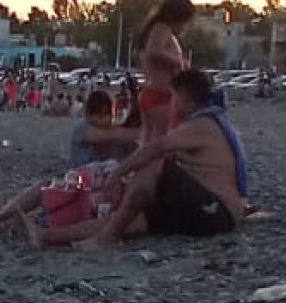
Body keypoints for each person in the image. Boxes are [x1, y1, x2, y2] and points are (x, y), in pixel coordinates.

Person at [73, 69, 247, 249]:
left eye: (173, 96)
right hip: (211, 210)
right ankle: (48, 236)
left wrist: (117, 174)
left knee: (154, 163)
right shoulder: (213, 121)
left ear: (184, 96)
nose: (172, 103)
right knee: (134, 217)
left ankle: (107, 238)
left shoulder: (201, 125)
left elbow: (156, 148)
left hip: (218, 213)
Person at [133, 0, 194, 144]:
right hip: (160, 94)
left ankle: (142, 167)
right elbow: (154, 52)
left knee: (148, 140)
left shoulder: (157, 30)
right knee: (161, 142)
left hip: (154, 92)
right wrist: (178, 62)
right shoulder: (162, 29)